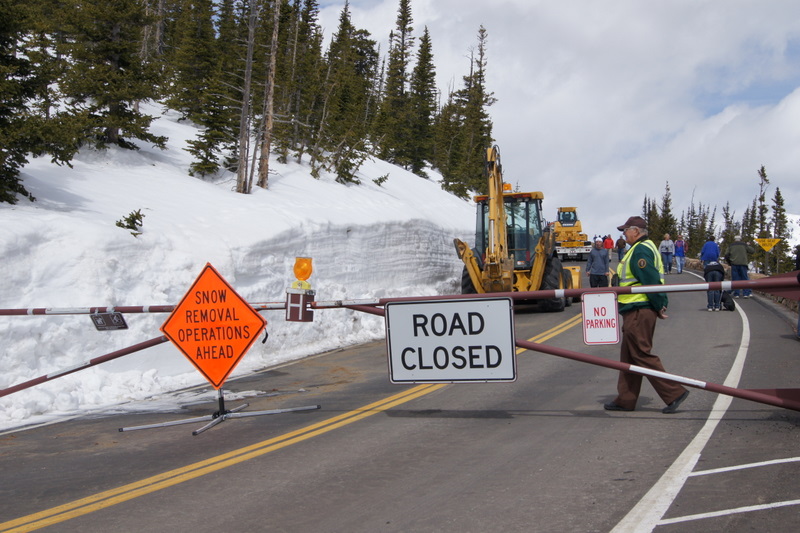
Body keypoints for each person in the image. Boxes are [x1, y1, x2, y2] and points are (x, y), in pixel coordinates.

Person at [604, 216, 689, 414]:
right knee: (628, 357)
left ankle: (674, 392)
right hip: (633, 309)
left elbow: (650, 280)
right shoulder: (640, 248)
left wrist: (660, 304)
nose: (623, 233)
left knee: (641, 354)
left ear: (636, 231)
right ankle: (626, 399)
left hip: (639, 309)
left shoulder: (641, 250)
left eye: (626, 230)